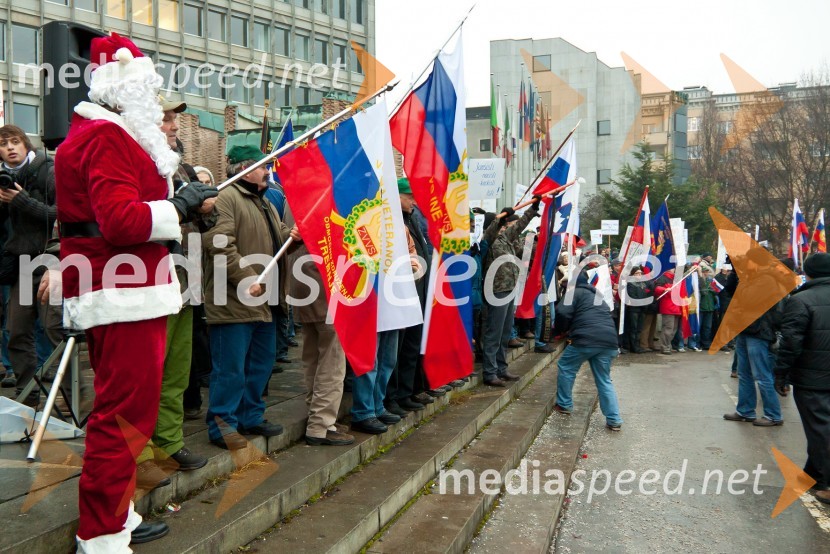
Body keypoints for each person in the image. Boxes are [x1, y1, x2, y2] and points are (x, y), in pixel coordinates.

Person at [55, 33, 217, 550]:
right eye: (150, 90)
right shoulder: (106, 138)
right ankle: (100, 533)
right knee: (123, 415)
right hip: (121, 288)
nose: (159, 103)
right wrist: (180, 208)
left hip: (123, 286)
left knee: (126, 412)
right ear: (124, 87)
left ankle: (115, 514)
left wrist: (179, 206)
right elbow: (122, 221)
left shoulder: (105, 132)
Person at [134, 97, 213, 488]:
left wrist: (203, 208)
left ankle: (169, 442)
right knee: (147, 374)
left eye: (174, 120)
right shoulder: (133, 162)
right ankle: (142, 454)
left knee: (177, 372)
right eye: (165, 119)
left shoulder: (176, 166)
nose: (173, 126)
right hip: (143, 282)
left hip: (180, 277)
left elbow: (195, 219)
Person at [203, 144, 296, 450]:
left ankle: (250, 416)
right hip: (233, 301)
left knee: (260, 364)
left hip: (264, 301)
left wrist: (294, 237)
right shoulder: (226, 198)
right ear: (243, 169)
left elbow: (278, 239)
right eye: (262, 166)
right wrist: (245, 279)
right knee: (230, 368)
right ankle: (222, 426)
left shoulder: (264, 202)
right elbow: (219, 245)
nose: (268, 171)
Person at [0, 124, 63, 405]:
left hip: (51, 260)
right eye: (3, 144)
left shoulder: (46, 170)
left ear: (26, 144)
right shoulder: (4, 179)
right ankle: (27, 395)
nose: (10, 148)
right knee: (17, 331)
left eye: (15, 141)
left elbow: (64, 213)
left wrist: (21, 201)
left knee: (55, 330)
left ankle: (74, 394)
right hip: (23, 265)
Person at [774, 254, 830, 502]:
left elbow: (791, 342)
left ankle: (826, 483)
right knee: (821, 428)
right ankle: (814, 473)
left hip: (814, 376)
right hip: (816, 374)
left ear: (807, 272)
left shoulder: (801, 300)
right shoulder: (803, 299)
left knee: (820, 429)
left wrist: (781, 373)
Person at [480, 197, 541, 387]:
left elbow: (519, 226)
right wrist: (500, 218)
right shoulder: (486, 239)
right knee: (494, 332)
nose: (506, 226)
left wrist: (533, 208)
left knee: (505, 331)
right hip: (496, 290)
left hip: (509, 289)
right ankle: (490, 372)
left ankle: (501, 368)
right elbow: (491, 230)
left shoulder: (504, 237)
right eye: (502, 224)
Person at [553, 270, 623, 431]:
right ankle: (614, 419)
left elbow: (562, 312)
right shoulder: (597, 296)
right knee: (603, 379)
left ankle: (564, 404)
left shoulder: (574, 293)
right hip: (609, 341)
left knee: (566, 366)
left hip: (586, 339)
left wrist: (560, 331)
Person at [654, 270, 682, 355]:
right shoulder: (663, 278)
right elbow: (656, 288)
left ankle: (667, 345)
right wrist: (665, 289)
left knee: (673, 329)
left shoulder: (677, 278)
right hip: (668, 307)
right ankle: (664, 346)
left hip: (676, 307)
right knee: (668, 328)